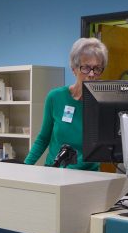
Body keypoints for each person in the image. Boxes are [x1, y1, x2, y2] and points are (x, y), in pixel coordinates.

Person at [24, 37, 109, 170]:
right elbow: (43, 138)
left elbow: (99, 150)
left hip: (87, 177)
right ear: (73, 69)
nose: (91, 74)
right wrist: (25, 167)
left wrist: (68, 171)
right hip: (53, 171)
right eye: (86, 68)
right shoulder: (55, 97)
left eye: (97, 68)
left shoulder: (104, 103)